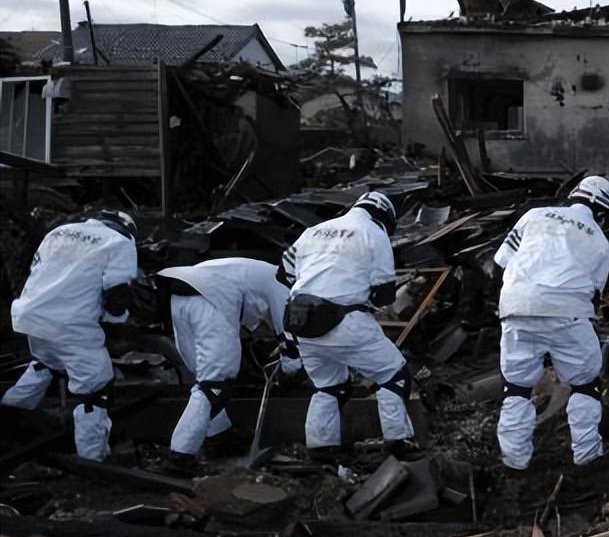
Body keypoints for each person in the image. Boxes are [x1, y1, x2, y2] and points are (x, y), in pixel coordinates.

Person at [279, 190, 419, 464]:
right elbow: (384, 294)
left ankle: (320, 449)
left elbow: (283, 272)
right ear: (385, 217)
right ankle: (397, 443)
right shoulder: (372, 232)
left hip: (300, 322)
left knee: (329, 386)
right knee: (394, 374)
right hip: (344, 320)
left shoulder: (314, 230)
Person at [493, 176, 609, 473]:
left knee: (517, 388)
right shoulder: (600, 242)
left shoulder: (533, 216)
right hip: (567, 311)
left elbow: (499, 263)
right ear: (602, 212)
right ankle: (587, 460)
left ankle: (514, 464)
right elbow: (594, 296)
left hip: (515, 305)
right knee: (586, 385)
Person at [1, 210, 138, 460]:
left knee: (46, 364)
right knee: (97, 388)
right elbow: (117, 295)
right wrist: (115, 324)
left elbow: (37, 270)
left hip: (30, 315)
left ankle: (9, 420)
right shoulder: (120, 242)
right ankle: (93, 458)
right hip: (70, 324)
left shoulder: (58, 232)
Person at [156, 257, 303, 474]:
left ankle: (219, 436)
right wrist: (290, 371)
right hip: (212, 298)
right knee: (215, 384)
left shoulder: (256, 271)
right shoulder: (282, 285)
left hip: (180, 295)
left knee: (203, 381)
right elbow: (288, 338)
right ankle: (181, 456)